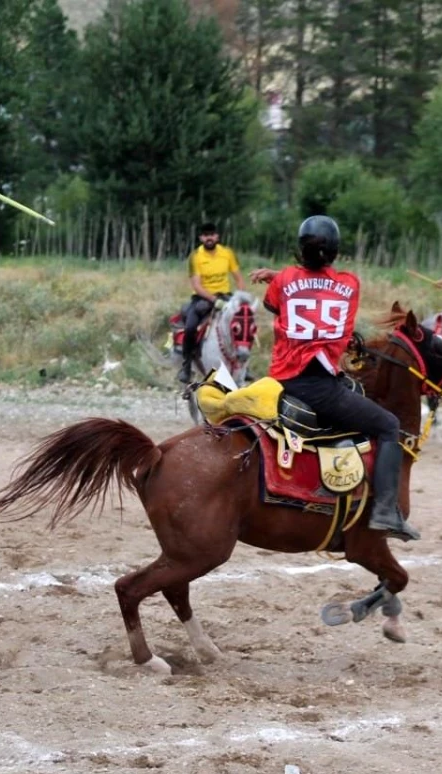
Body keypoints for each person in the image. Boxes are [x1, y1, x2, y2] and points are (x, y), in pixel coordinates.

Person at [250, 216, 420, 542]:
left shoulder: (284, 281)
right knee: (387, 426)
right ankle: (386, 511)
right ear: (335, 252)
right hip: (318, 386)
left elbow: (280, 300)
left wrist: (278, 275)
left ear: (300, 250)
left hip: (282, 380)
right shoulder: (349, 285)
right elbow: (320, 291)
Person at [178, 222, 244, 383]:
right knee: (190, 326)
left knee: (244, 325)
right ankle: (186, 365)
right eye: (206, 235)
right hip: (203, 297)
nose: (209, 238)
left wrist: (240, 298)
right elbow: (196, 285)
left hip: (226, 296)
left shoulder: (227, 253)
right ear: (201, 238)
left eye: (212, 234)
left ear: (217, 236)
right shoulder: (196, 256)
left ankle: (243, 365)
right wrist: (214, 300)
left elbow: (239, 278)